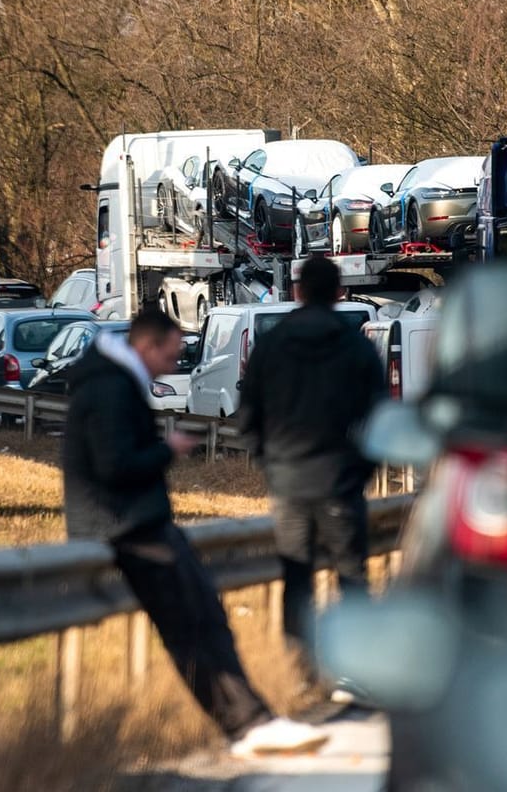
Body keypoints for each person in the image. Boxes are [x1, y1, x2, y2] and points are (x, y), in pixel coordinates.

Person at [62, 307, 329, 759]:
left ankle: (253, 721)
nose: (172, 366)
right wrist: (166, 450)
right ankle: (246, 725)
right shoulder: (109, 387)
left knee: (206, 617)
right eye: (170, 355)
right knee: (192, 626)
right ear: (147, 345)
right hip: (125, 526)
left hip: (142, 522)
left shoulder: (114, 379)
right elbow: (115, 464)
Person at [239, 255, 387, 692]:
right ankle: (356, 670)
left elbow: (249, 415)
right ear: (340, 294)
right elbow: (380, 418)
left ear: (298, 291)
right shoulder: (355, 346)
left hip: (288, 481)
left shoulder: (272, 344)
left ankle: (305, 672)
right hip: (340, 479)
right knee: (352, 575)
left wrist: (270, 464)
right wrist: (360, 470)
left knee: (296, 576)